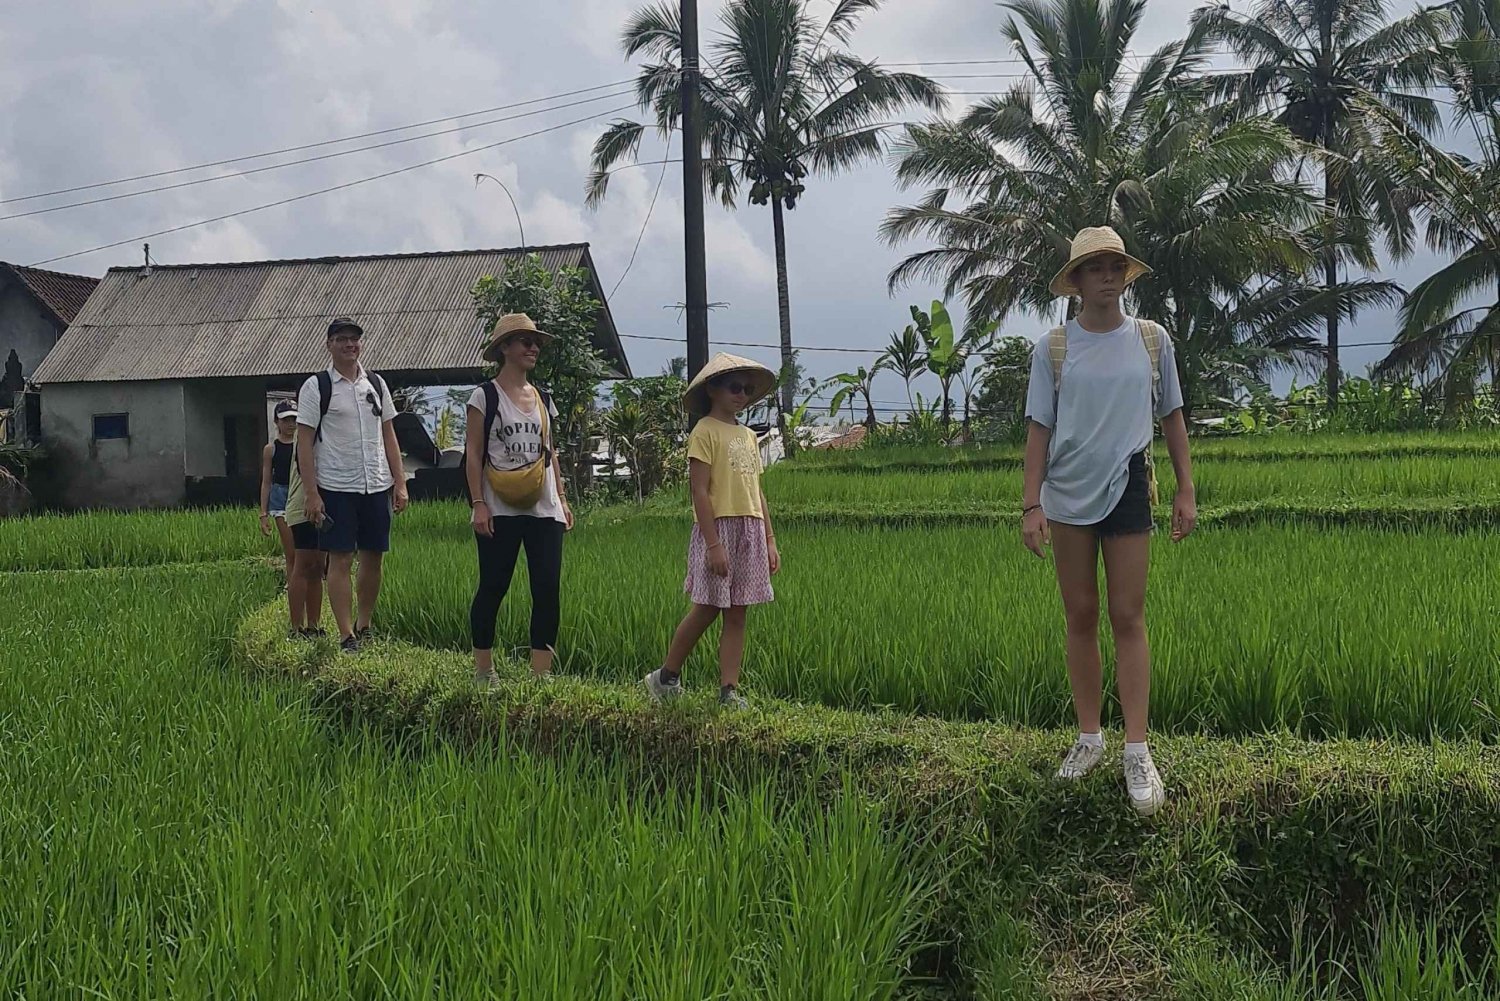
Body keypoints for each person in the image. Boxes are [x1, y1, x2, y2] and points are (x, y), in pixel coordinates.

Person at [1020, 226, 1196, 817]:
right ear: (1076, 282)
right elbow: (1038, 430)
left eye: (1114, 265)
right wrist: (1030, 504)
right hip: (1066, 494)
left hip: (1129, 487)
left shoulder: (1151, 340)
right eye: (1094, 268)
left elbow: (1172, 416)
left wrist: (1185, 491)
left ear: (1125, 274)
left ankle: (1137, 749)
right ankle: (1089, 736)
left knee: (1127, 614)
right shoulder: (1053, 348)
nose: (1106, 275)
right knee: (1081, 615)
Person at [644, 353, 780, 710]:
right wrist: (713, 544)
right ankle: (666, 677)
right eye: (735, 387)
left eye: (748, 389)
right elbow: (699, 491)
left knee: (738, 613)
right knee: (705, 608)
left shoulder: (749, 436)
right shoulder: (703, 431)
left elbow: (757, 491)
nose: (742, 395)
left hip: (750, 528)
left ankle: (729, 690)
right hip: (718, 528)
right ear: (713, 390)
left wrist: (769, 539)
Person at [465, 314, 575, 685]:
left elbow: (551, 452)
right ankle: (484, 669)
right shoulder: (485, 396)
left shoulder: (544, 398)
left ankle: (540, 675)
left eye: (536, 342)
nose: (533, 348)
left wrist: (561, 496)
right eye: (524, 341)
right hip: (500, 506)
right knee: (494, 585)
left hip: (544, 506)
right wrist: (478, 503)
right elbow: (474, 451)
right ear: (504, 349)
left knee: (547, 587)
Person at [295, 317, 408, 654]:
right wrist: (312, 493)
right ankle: (346, 635)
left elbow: (389, 434)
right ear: (329, 344)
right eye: (342, 339)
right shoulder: (317, 387)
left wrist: (399, 482)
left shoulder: (375, 383)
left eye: (354, 340)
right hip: (336, 485)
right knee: (340, 558)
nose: (349, 345)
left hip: (375, 483)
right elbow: (304, 443)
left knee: (374, 557)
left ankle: (364, 624)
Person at [258, 400, 310, 636]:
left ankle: (304, 592)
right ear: (276, 422)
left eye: (294, 419)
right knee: (292, 553)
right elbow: (267, 481)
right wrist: (263, 513)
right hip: (280, 500)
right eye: (286, 419)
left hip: (299, 495)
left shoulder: (304, 445)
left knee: (307, 552)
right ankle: (293, 591)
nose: (291, 424)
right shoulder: (272, 449)